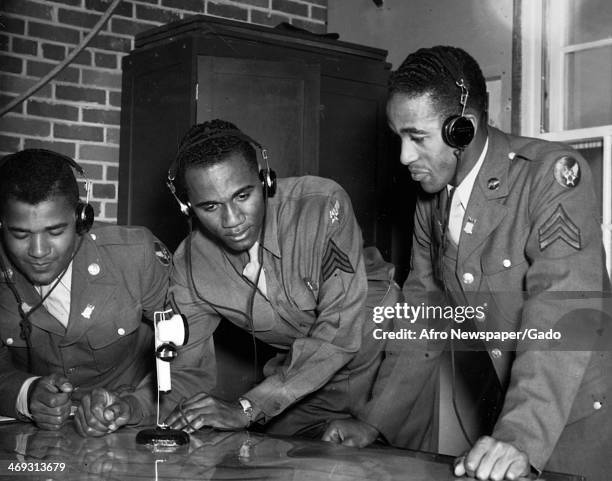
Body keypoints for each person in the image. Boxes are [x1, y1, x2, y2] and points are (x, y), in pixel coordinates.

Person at [322, 46, 612, 481]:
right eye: (398, 137)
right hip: (517, 413)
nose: (403, 157)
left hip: (582, 418)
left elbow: (560, 313)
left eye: (417, 137)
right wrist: (376, 420)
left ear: (463, 129)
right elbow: (423, 313)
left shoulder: (550, 178)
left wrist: (519, 436)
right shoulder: (432, 202)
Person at [125, 119, 396, 438]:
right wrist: (130, 407)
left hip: (388, 361)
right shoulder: (191, 267)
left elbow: (339, 329)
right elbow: (183, 366)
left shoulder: (321, 205)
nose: (232, 220)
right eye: (210, 206)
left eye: (242, 195)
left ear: (264, 179)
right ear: (187, 207)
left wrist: (247, 407)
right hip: (301, 380)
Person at [0, 149, 171, 435]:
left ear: (81, 219)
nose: (38, 252)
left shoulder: (136, 257)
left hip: (136, 428)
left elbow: (188, 354)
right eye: (20, 234)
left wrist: (132, 405)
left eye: (55, 231)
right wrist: (27, 394)